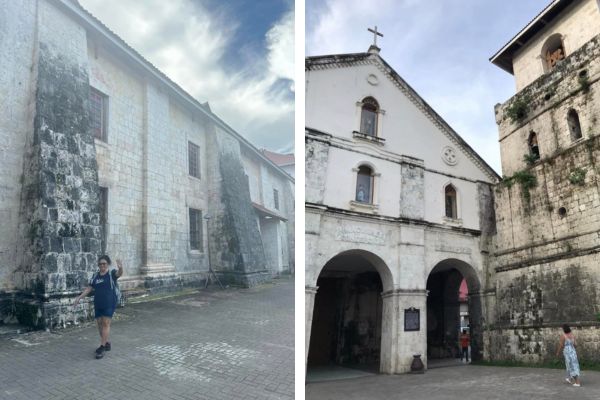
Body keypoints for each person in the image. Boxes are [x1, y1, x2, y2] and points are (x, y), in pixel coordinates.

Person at [74, 255, 123, 359]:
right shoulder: (95, 276)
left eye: (104, 263)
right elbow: (89, 288)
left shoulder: (111, 273)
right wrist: (79, 297)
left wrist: (121, 267)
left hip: (109, 303)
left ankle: (102, 347)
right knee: (100, 325)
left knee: (106, 323)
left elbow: (119, 274)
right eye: (100, 264)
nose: (102, 265)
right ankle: (106, 343)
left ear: (108, 264)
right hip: (98, 303)